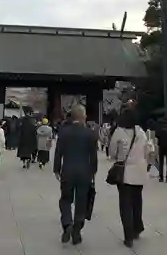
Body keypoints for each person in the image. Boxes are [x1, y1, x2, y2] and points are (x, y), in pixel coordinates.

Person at [54, 104, 98, 246]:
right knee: (81, 202)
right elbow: (94, 156)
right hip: (84, 172)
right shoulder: (90, 133)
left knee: (65, 199)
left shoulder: (64, 132)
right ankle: (77, 230)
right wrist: (93, 171)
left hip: (67, 170)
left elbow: (58, 152)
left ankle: (67, 224)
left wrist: (56, 169)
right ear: (83, 116)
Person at [109, 108, 147, 248]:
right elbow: (148, 149)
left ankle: (128, 236)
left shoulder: (119, 131)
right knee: (137, 201)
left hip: (125, 172)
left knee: (125, 204)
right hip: (140, 170)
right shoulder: (141, 132)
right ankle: (137, 228)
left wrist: (118, 156)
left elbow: (112, 151)